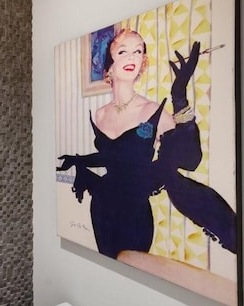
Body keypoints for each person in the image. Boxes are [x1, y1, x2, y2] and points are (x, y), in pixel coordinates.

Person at [56, 29, 236, 259]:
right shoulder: (99, 115)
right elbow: (114, 156)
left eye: (138, 51)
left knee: (135, 270)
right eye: (123, 52)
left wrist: (179, 97)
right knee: (109, 267)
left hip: (135, 214)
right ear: (109, 67)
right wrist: (79, 160)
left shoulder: (151, 112)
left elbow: (191, 160)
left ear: (142, 62)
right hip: (102, 208)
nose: (132, 57)